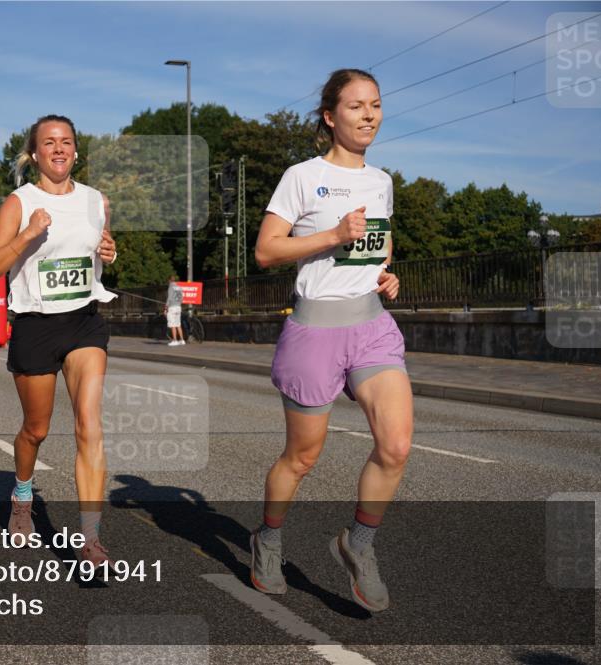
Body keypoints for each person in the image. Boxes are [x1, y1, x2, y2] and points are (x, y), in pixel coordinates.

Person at [249, 69, 409, 613]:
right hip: (314, 328)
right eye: (356, 106)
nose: (369, 115)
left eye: (376, 105)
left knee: (396, 445)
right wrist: (333, 235)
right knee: (302, 457)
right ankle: (267, 540)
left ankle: (358, 545)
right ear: (329, 116)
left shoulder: (382, 181)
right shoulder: (302, 176)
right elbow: (267, 251)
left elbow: (378, 248)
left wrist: (387, 273)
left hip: (370, 325)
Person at [0, 114, 118, 565]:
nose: (59, 149)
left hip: (84, 322)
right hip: (36, 326)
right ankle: (22, 496)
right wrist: (27, 235)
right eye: (49, 143)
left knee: (89, 426)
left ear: (76, 150)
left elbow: (98, 254)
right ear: (34, 153)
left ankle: (90, 540)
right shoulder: (20, 203)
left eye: (67, 142)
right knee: (36, 430)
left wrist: (109, 253)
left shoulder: (98, 201)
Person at [164, 274, 185, 346]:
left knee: (172, 324)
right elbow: (182, 298)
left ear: (169, 280)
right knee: (178, 324)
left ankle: (175, 340)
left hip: (172, 307)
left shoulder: (171, 287)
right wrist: (178, 303)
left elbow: (169, 298)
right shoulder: (179, 287)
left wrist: (166, 308)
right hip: (178, 307)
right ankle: (182, 340)